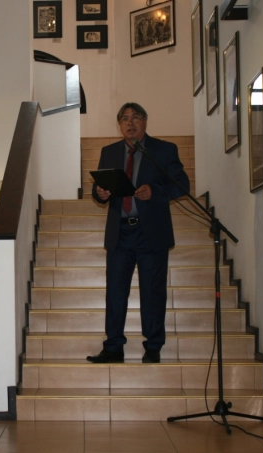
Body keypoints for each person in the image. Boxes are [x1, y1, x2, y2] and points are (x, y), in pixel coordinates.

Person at [87, 102, 189, 365]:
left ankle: (153, 346)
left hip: (150, 233)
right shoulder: (109, 152)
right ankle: (113, 347)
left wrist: (155, 191)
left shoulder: (164, 150)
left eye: (135, 118)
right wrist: (100, 192)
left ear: (145, 121)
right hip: (119, 233)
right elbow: (98, 188)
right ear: (119, 125)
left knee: (153, 291)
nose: (129, 123)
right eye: (124, 119)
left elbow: (181, 184)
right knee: (115, 292)